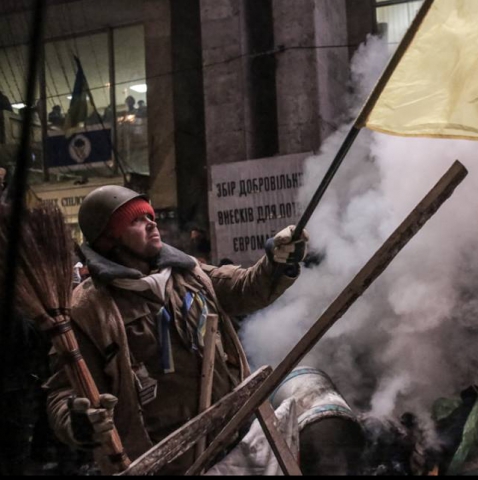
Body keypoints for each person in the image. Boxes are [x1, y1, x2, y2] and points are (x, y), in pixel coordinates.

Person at [45, 185, 309, 474]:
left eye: (150, 216)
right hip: (160, 464)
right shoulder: (87, 310)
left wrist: (277, 263)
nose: (151, 223)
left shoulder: (189, 273)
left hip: (233, 438)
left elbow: (245, 288)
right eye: (136, 220)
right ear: (109, 240)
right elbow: (64, 391)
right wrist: (78, 421)